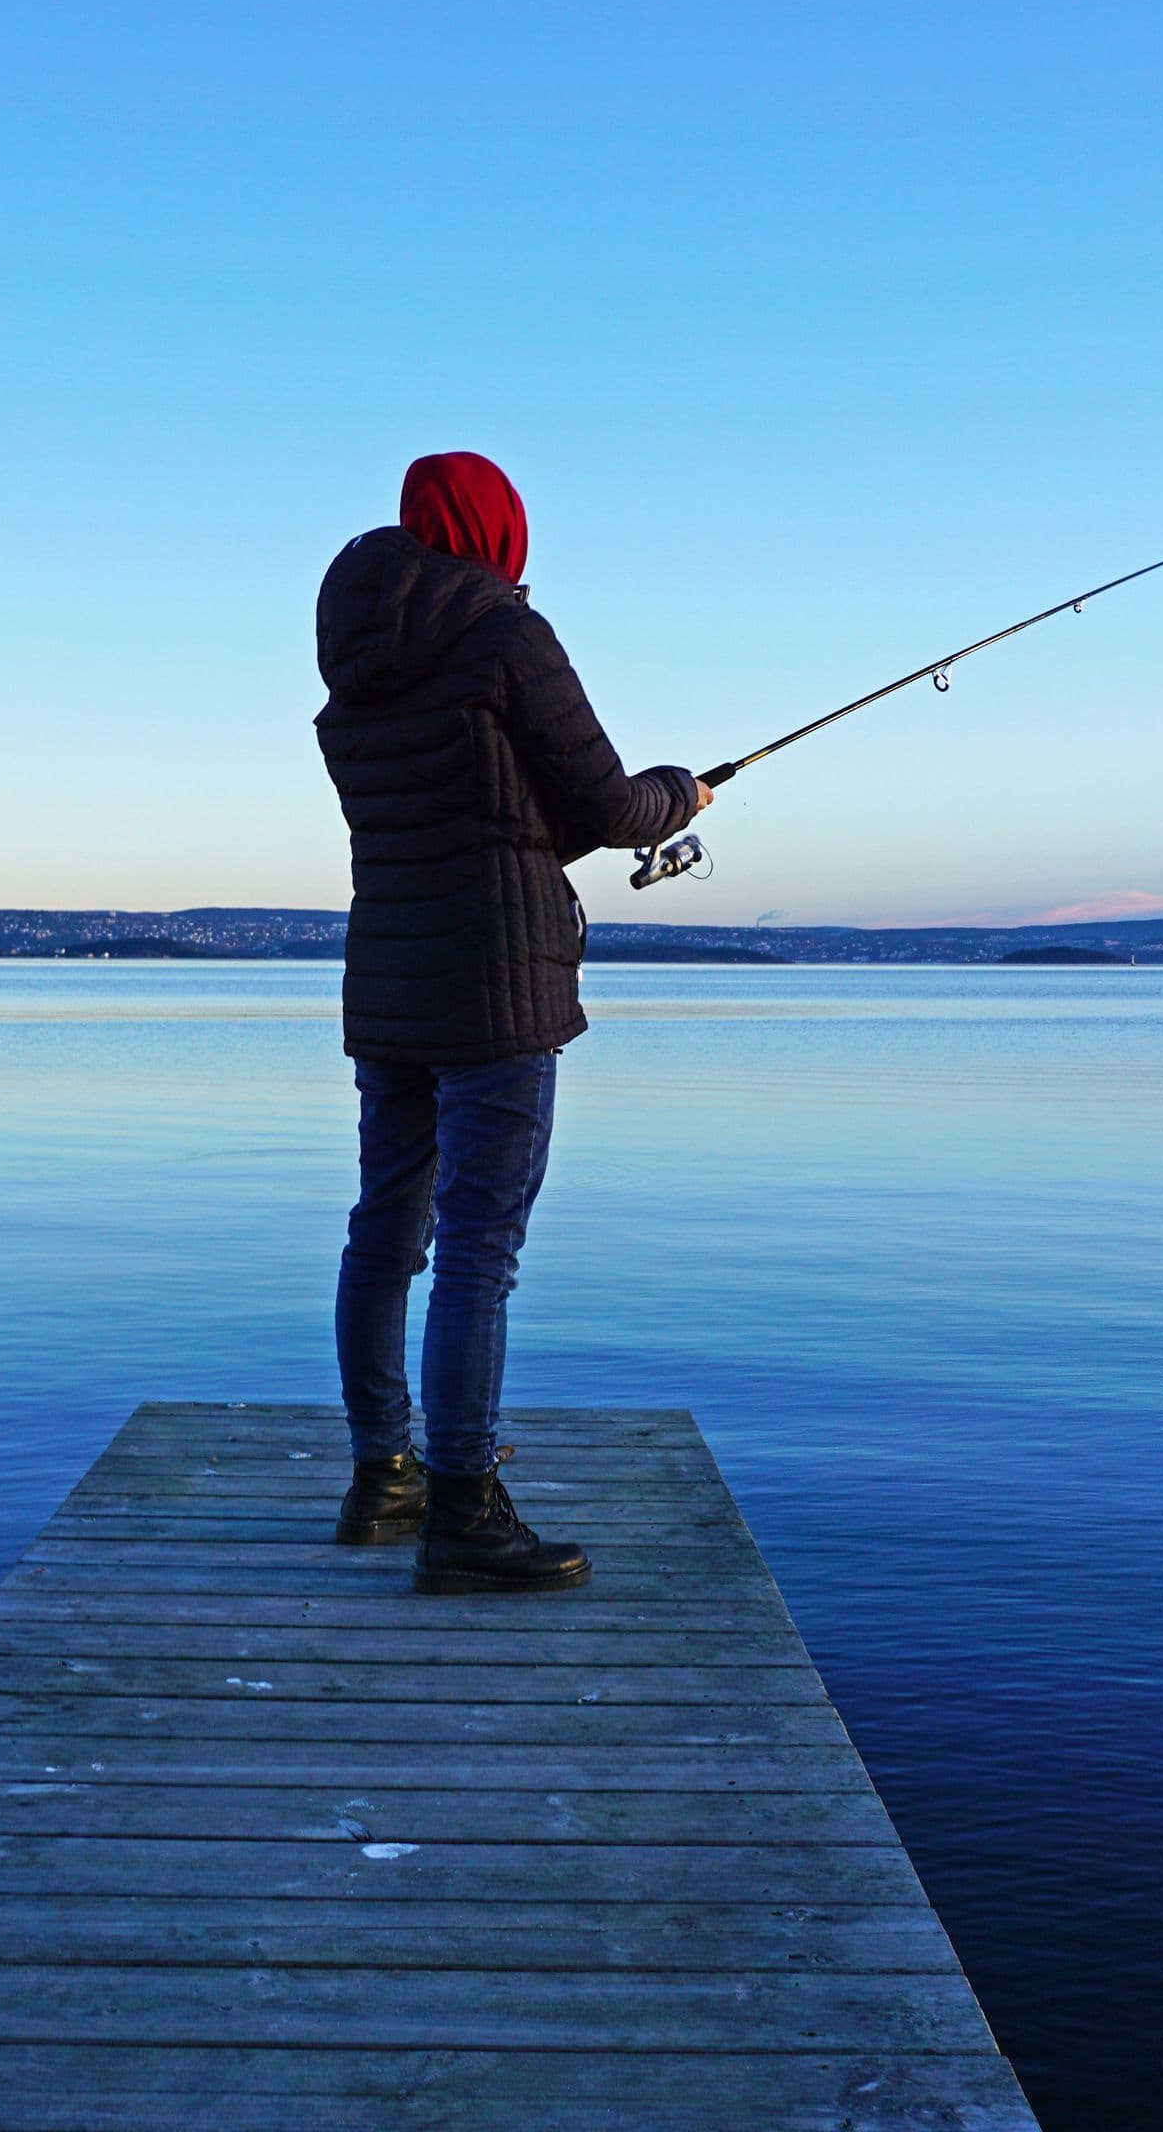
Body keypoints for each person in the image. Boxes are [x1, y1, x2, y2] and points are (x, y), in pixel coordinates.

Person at [312, 451, 709, 1594]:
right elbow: (600, 804)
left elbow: (489, 818)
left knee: (386, 1230)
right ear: (497, 533)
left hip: (390, 974)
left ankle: (380, 1480)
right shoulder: (505, 636)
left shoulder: (354, 664)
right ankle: (465, 1515)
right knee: (479, 1250)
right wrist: (678, 795)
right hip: (496, 983)